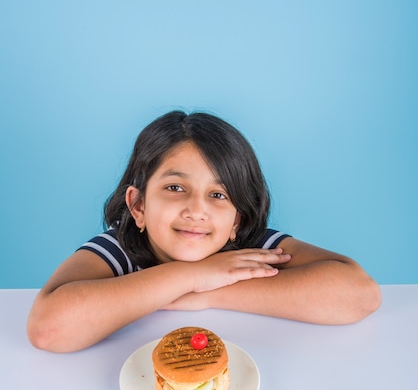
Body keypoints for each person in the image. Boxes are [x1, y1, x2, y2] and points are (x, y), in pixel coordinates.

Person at [27, 110, 381, 353]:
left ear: (237, 220)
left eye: (218, 195)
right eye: (175, 188)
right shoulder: (121, 246)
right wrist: (193, 274)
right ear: (138, 206)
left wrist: (207, 293)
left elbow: (359, 295)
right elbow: (48, 329)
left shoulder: (248, 246)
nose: (197, 210)